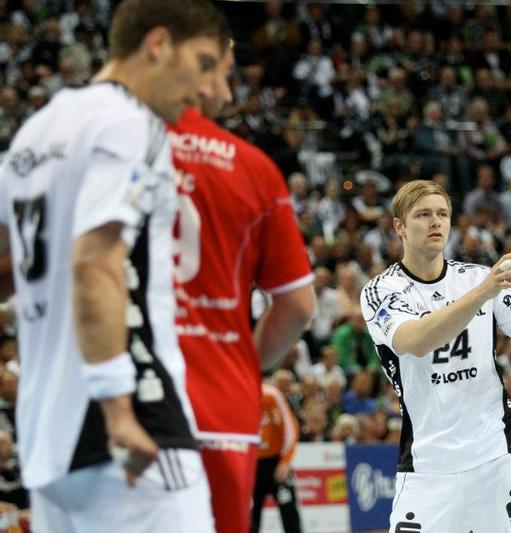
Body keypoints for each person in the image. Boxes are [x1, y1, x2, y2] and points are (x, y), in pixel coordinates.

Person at [0, 1, 229, 531]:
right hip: (128, 429)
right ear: (158, 45)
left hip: (49, 448)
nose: (206, 90)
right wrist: (117, 410)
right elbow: (95, 261)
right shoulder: (132, 126)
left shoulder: (37, 130)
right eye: (202, 64)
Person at [360, 180, 511, 532]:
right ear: (399, 226)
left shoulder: (478, 278)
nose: (435, 222)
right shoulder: (382, 290)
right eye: (423, 214)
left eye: (442, 214)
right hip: (428, 468)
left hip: (498, 456)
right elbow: (415, 341)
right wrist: (481, 294)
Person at [168, 40, 316, 533]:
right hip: (221, 397)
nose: (230, 94)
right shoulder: (253, 168)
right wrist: (245, 366)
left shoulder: (104, 142)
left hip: (126, 390)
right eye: (226, 75)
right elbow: (298, 305)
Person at [250, 380, 302, 533]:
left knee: (288, 509)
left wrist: (285, 461)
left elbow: (291, 428)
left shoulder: (271, 394)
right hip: (251, 465)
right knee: (251, 515)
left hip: (275, 461)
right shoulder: (236, 395)